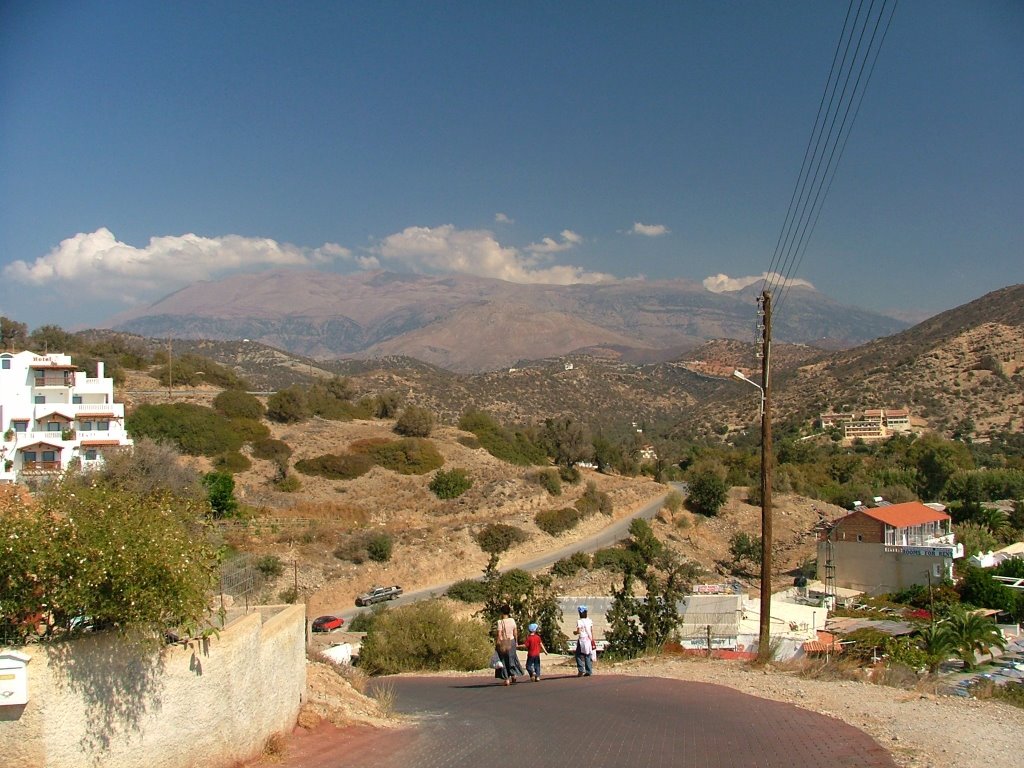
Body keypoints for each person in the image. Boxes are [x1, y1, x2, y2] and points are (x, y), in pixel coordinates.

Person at [495, 604, 519, 685]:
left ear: (501, 612)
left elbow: (499, 633)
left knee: (503, 660)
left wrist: (497, 643)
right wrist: (516, 641)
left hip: (503, 642)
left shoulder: (500, 622)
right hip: (511, 641)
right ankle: (513, 674)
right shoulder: (512, 620)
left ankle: (506, 679)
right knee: (512, 658)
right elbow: (515, 632)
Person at [573, 605, 595, 677]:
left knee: (578, 654)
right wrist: (592, 639)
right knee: (587, 655)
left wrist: (575, 632)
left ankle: (581, 669)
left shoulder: (579, 621)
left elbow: (578, 631)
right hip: (589, 639)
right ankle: (589, 671)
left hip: (582, 640)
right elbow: (591, 631)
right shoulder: (590, 621)